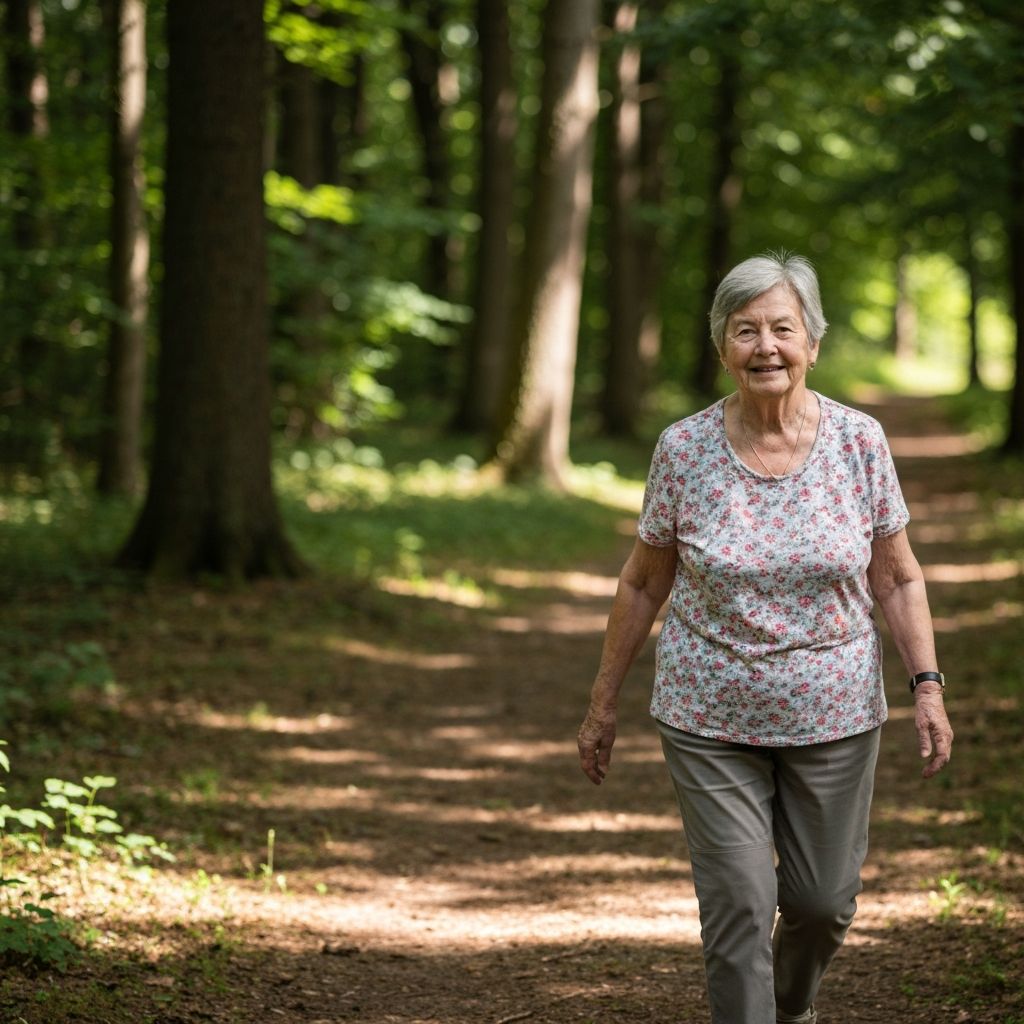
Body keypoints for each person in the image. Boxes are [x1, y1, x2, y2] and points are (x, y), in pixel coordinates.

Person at [576, 251, 953, 1024]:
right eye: (745, 330)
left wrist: (928, 687)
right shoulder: (684, 449)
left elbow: (896, 578)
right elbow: (643, 582)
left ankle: (791, 1008)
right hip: (708, 714)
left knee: (822, 904)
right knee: (740, 905)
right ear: (723, 346)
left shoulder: (858, 441)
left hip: (835, 714)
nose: (766, 347)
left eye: (783, 328)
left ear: (813, 341)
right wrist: (602, 703)